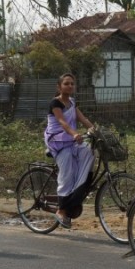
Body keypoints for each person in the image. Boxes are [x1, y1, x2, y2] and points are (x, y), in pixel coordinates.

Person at [44, 73, 95, 229]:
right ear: (59, 87)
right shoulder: (55, 103)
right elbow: (62, 122)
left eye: (72, 84)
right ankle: (61, 210)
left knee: (89, 150)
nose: (70, 86)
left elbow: (83, 119)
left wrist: (95, 130)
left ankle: (77, 188)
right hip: (58, 141)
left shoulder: (72, 102)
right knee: (66, 173)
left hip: (72, 140)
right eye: (66, 83)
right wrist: (74, 133)